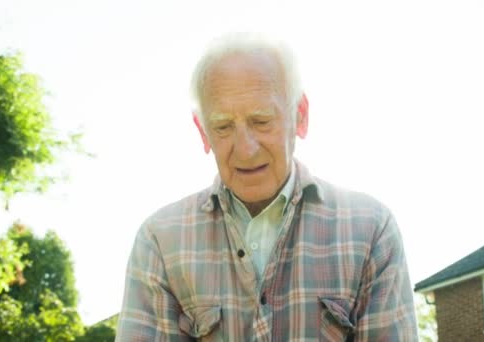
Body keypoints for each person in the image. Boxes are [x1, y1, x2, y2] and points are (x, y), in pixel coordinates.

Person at [116, 33, 417, 341]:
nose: (246, 149)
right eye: (223, 127)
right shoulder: (160, 241)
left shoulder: (370, 230)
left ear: (300, 116)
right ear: (202, 131)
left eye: (261, 121)